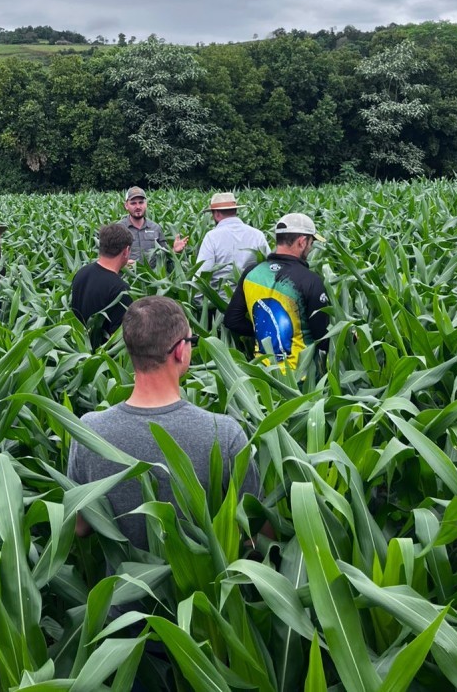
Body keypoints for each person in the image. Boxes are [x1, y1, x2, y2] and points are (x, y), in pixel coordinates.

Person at [67, 295, 261, 548]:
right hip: (206, 586)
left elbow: (79, 526)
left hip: (122, 585)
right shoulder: (223, 433)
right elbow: (253, 533)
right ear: (180, 350)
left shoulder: (89, 431)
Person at [224, 212, 329, 369]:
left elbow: (232, 320)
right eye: (311, 242)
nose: (311, 247)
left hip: (263, 373)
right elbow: (323, 337)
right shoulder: (310, 281)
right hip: (301, 380)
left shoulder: (251, 273)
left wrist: (266, 330)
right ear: (302, 241)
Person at [71, 224, 133, 349]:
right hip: (102, 361)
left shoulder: (82, 272)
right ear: (126, 251)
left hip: (77, 349)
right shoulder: (121, 290)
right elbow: (117, 339)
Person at [195, 191, 269, 290]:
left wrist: (198, 302)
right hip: (252, 296)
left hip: (221, 299)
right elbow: (268, 267)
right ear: (235, 211)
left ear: (216, 214)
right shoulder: (257, 234)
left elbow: (203, 273)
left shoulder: (211, 237)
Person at [116, 186, 189, 264]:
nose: (138, 206)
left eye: (141, 202)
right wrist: (122, 264)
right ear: (126, 206)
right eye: (133, 203)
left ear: (146, 204)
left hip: (152, 275)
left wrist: (174, 251)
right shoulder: (118, 229)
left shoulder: (155, 228)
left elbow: (164, 257)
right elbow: (108, 258)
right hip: (127, 275)